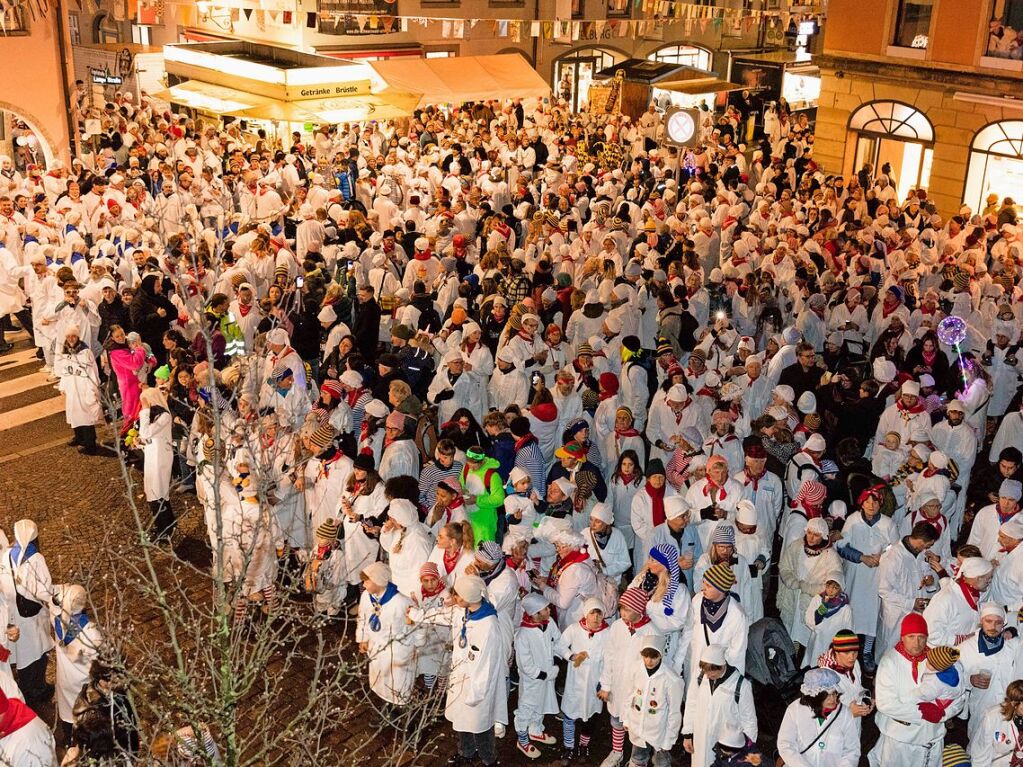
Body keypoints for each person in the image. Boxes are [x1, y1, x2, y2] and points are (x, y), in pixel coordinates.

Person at [445, 575, 504, 767]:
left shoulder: (488, 626)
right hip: (461, 678)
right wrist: (415, 614)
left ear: (467, 598)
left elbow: (486, 665)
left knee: (480, 725)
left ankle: (489, 759)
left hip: (477, 686)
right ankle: (466, 752)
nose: (454, 598)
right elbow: (444, 615)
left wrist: (476, 693)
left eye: (457, 595)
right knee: (462, 721)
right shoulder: (465, 611)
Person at [682, 644, 758, 767]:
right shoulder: (700, 678)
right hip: (701, 740)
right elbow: (691, 705)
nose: (708, 675)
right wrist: (688, 734)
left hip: (727, 746)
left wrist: (746, 752)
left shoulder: (741, 685)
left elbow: (749, 721)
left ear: (722, 666)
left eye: (712, 671)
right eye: (705, 670)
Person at [555, 597, 609, 762]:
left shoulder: (607, 633)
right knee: (570, 714)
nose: (595, 618)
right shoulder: (574, 629)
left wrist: (605, 682)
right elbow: (560, 645)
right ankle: (569, 746)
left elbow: (610, 658)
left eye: (599, 614)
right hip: (576, 680)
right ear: (586, 614)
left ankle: (583, 745)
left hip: (594, 681)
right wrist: (572, 656)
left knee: (591, 716)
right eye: (592, 614)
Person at [355, 561, 416, 706]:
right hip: (377, 647)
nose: (363, 585)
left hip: (396, 651)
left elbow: (415, 627)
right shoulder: (366, 597)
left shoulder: (401, 602)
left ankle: (400, 710)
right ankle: (383, 705)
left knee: (397, 683)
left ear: (379, 581)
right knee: (379, 679)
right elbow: (362, 617)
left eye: (366, 581)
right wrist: (363, 638)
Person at [776, 667, 860, 766]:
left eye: (834, 693)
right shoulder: (794, 710)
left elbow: (851, 751)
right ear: (814, 695)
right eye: (827, 695)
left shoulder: (845, 714)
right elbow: (786, 744)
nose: (833, 699)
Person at [622, 634, 684, 767]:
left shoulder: (671, 680)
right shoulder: (635, 669)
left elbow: (674, 713)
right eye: (646, 656)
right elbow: (628, 695)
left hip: (659, 731)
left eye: (654, 657)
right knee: (638, 758)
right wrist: (626, 719)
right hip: (638, 726)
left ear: (661, 655)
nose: (649, 661)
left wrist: (669, 739)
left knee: (661, 762)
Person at [513, 592, 561, 759]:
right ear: (535, 613)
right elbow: (524, 664)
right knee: (527, 707)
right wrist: (542, 675)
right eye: (545, 609)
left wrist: (556, 660)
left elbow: (557, 641)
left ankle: (535, 730)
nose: (549, 610)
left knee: (542, 704)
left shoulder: (549, 623)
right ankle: (522, 740)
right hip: (534, 680)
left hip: (548, 676)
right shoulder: (523, 635)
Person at [137, 387, 175, 541]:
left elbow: (146, 432)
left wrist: (145, 412)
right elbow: (148, 437)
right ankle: (165, 524)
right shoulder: (156, 416)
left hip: (160, 459)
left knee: (159, 492)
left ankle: (165, 529)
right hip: (153, 457)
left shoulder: (164, 416)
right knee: (154, 492)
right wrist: (140, 443)